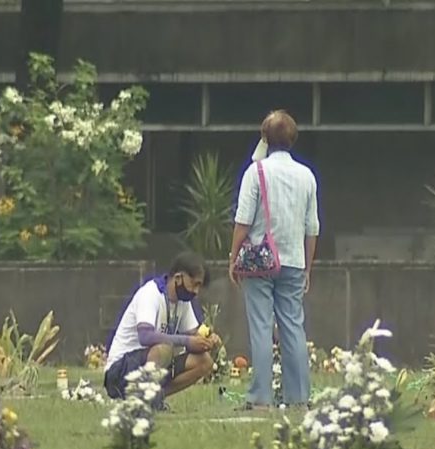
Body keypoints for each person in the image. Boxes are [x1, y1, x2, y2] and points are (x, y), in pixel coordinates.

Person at [230, 110, 320, 409]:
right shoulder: (307, 176)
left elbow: (243, 220)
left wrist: (233, 258)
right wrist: (307, 267)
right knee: (293, 327)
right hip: (294, 260)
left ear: (265, 138)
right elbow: (312, 228)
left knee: (261, 327)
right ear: (293, 139)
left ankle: (260, 398)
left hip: (259, 261)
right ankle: (299, 398)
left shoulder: (255, 172)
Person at [104, 251, 220, 409]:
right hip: (119, 371)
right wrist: (186, 341)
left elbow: (194, 333)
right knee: (164, 349)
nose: (196, 291)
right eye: (194, 284)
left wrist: (208, 340)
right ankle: (149, 400)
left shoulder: (183, 302)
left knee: (204, 361)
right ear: (178, 278)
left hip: (153, 366)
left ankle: (152, 398)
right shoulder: (150, 293)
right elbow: (145, 336)